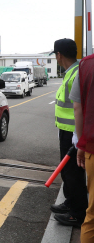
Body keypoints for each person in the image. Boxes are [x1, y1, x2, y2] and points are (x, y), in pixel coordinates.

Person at [49, 38, 87, 227]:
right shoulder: (72, 72)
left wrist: (78, 138)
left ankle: (78, 214)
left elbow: (80, 108)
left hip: (73, 133)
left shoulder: (76, 73)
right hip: (66, 131)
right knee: (68, 172)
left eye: (55, 55)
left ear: (59, 55)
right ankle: (70, 203)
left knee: (73, 174)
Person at [74, 52, 94, 241]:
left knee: (92, 216)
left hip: (92, 148)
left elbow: (78, 108)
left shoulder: (86, 65)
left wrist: (82, 143)